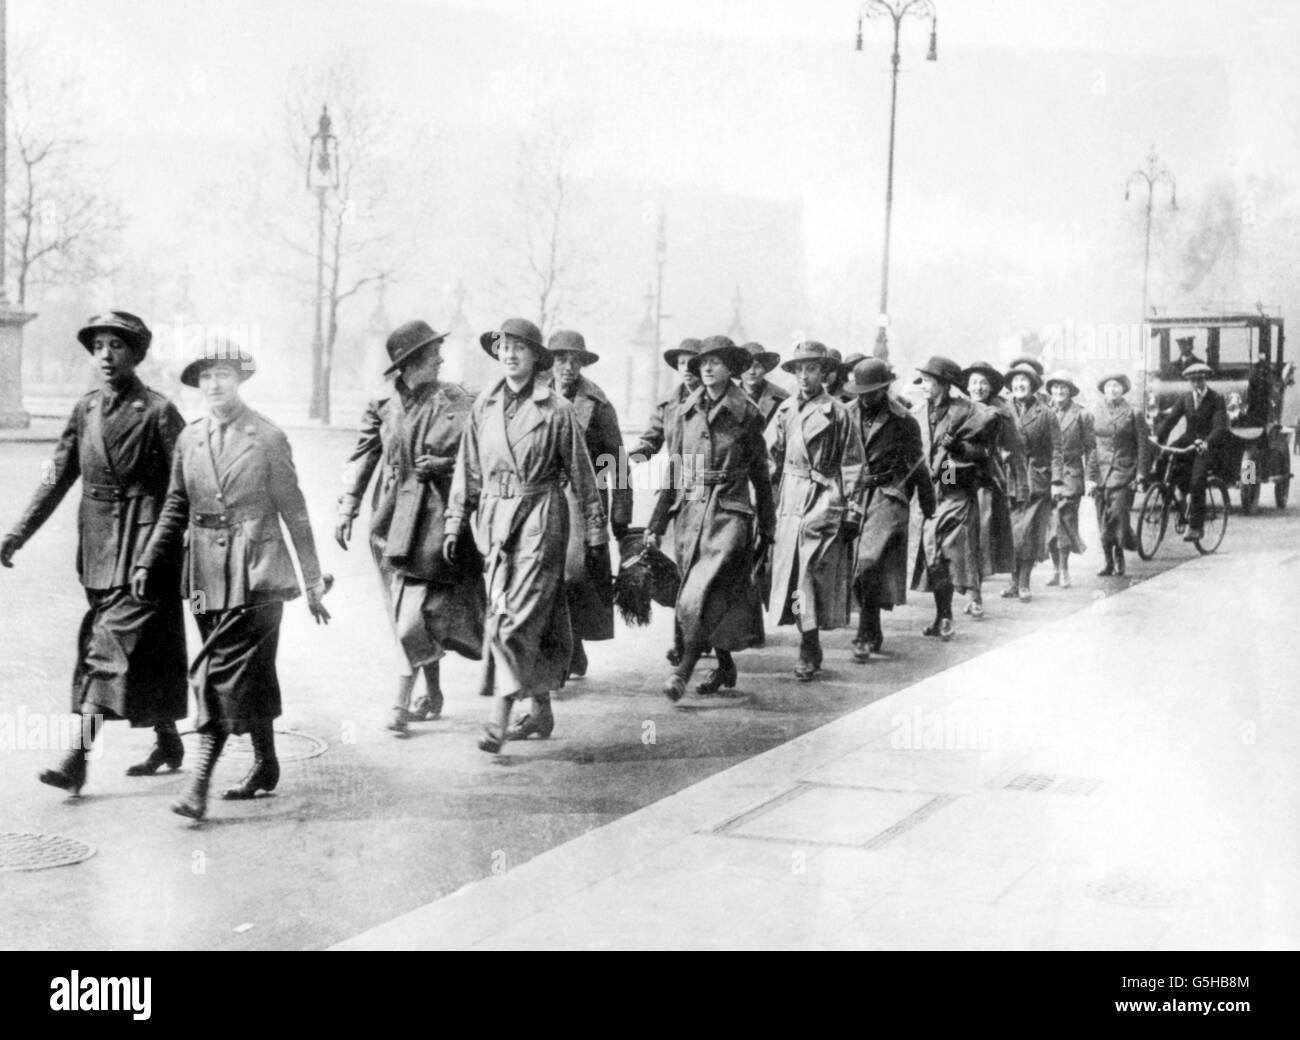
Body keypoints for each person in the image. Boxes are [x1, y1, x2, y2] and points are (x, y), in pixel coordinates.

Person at [132, 341, 331, 820]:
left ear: (240, 380)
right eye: (205, 377)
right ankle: (265, 764)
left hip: (257, 572)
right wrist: (146, 561)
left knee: (219, 673)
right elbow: (176, 506)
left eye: (223, 375)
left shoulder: (266, 436)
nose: (214, 385)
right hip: (201, 574)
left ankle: (198, 783)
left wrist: (311, 581)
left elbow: (295, 512)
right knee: (245, 671)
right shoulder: (190, 439)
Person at [2, 312, 188, 795]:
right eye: (98, 346)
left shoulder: (159, 412)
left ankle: (77, 759)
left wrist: (164, 547)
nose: (105, 356)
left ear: (136, 353)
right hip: (100, 549)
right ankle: (168, 740)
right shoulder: (85, 410)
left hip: (146, 548)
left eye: (117, 346)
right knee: (143, 651)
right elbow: (57, 475)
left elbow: (186, 487)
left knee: (107, 650)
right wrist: (17, 533)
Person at [443, 318, 608, 752]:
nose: (510, 353)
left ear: (537, 358)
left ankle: (499, 719)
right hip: (496, 526)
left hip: (541, 519)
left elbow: (582, 474)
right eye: (504, 346)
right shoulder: (484, 406)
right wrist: (455, 520)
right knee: (521, 617)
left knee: (510, 622)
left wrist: (595, 532)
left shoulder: (556, 410)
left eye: (520, 347)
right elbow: (469, 470)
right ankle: (540, 710)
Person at [335, 320, 485, 736]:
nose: (441, 358)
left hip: (434, 522)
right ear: (410, 363)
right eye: (433, 353)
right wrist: (347, 506)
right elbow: (361, 457)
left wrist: (445, 466)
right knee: (403, 614)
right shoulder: (382, 405)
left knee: (414, 619)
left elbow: (478, 458)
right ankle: (431, 693)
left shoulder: (456, 400)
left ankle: (400, 703)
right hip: (389, 525)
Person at [646, 336, 775, 700]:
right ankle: (724, 663)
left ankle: (683, 671)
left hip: (730, 511)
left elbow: (761, 476)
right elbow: (674, 470)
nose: (706, 367)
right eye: (702, 362)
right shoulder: (684, 411)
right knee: (697, 594)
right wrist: (656, 524)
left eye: (715, 362)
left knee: (705, 592)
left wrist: (767, 527)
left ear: (731, 368)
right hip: (690, 510)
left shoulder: (747, 414)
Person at [767, 341, 865, 681]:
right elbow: (770, 457)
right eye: (799, 369)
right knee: (794, 577)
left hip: (823, 498)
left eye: (811, 369)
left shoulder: (838, 413)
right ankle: (807, 637)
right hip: (790, 498)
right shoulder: (785, 411)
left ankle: (808, 644)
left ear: (825, 373)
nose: (804, 375)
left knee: (809, 574)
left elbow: (853, 464)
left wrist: (852, 508)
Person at [546, 329, 630, 686]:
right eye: (561, 358)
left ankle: (570, 644)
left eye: (575, 360)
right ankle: (565, 646)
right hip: (543, 496)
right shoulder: (533, 395)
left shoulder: (597, 402)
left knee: (575, 575)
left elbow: (616, 460)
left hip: (584, 499)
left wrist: (621, 512)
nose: (568, 367)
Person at [844, 358, 933, 660]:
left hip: (887, 494)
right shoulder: (845, 415)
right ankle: (873, 625)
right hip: (853, 493)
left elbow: (919, 463)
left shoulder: (903, 419)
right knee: (855, 567)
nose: (866, 397)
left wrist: (928, 500)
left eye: (873, 391)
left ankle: (864, 629)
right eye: (861, 391)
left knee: (868, 562)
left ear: (885, 388)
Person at [627, 337, 700, 667]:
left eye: (693, 363)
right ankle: (683, 639)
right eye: (682, 363)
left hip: (704, 490)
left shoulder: (711, 402)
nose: (687, 370)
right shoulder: (668, 405)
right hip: (675, 493)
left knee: (699, 573)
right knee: (681, 571)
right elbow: (650, 441)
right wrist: (630, 458)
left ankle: (694, 640)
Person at [910, 356, 994, 641]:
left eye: (928, 381)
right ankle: (941, 614)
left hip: (955, 491)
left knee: (947, 552)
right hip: (926, 495)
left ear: (944, 384)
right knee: (933, 555)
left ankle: (948, 615)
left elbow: (983, 451)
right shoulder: (917, 413)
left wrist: (960, 448)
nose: (923, 385)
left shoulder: (967, 411)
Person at [962, 361, 1023, 619]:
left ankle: (974, 594)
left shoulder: (1001, 412)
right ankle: (967, 591)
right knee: (957, 536)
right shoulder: (957, 409)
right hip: (956, 478)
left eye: (984, 383)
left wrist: (1019, 482)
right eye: (974, 382)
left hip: (985, 478)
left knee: (980, 537)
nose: (978, 387)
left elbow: (1016, 446)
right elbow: (943, 446)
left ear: (992, 387)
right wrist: (943, 481)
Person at [1002, 362, 1063, 601]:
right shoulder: (1003, 410)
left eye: (1024, 380)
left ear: (1033, 385)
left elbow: (1057, 450)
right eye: (1015, 381)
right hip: (1008, 478)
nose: (1019, 384)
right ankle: (1012, 582)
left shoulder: (1046, 413)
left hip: (1036, 479)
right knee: (1010, 534)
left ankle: (1024, 583)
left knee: (1026, 534)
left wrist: (1057, 481)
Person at [1154, 362, 1227, 541]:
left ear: (1205, 379)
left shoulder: (1216, 399)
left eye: (1200, 379)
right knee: (1163, 459)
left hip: (1208, 444)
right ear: (1188, 381)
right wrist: (1158, 440)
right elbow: (1170, 420)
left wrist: (1206, 442)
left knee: (1197, 481)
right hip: (1189, 439)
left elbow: (1219, 426)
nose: (1196, 383)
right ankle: (1174, 497)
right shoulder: (1185, 398)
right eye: (1192, 380)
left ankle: (1196, 527)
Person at [1087, 373, 1150, 576]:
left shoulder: (1133, 413)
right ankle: (1107, 560)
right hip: (1100, 472)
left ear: (1123, 389)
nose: (1112, 389)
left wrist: (1140, 474)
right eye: (1109, 386)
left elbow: (1143, 445)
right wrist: (1090, 476)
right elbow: (1091, 447)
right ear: (1103, 389)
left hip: (1124, 472)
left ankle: (1119, 553)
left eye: (1117, 386)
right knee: (1102, 518)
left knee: (1118, 516)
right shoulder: (1095, 412)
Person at [1044, 370, 1094, 589]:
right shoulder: (1044, 413)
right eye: (1055, 387)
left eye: (1063, 387)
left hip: (1071, 474)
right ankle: (1056, 569)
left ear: (1070, 391)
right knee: (1051, 525)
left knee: (1065, 520)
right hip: (1047, 475)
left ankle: (1064, 570)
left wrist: (1091, 477)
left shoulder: (1081, 415)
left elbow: (1091, 448)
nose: (1059, 391)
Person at [737, 341, 789, 428]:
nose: (752, 372)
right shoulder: (728, 398)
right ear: (739, 370)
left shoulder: (782, 398)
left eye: (757, 366)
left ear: (765, 369)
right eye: (747, 366)